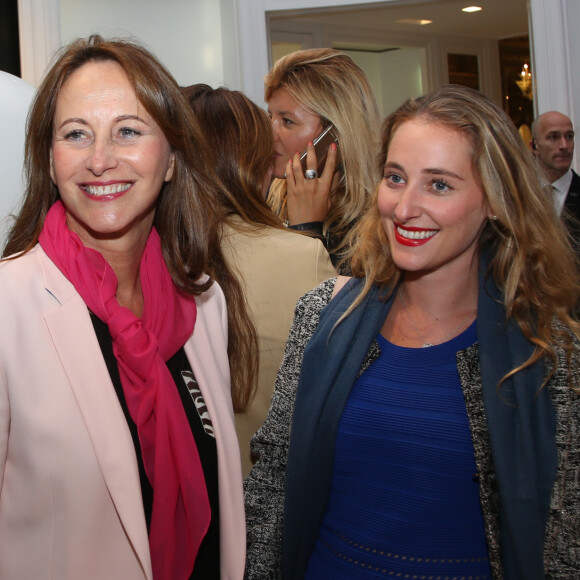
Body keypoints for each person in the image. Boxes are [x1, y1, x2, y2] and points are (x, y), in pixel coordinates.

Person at [245, 85, 580, 579]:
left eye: (439, 184)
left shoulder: (548, 350)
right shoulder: (326, 314)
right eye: (395, 178)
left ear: (494, 200)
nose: (404, 209)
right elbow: (273, 482)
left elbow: (563, 533)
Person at [0, 35, 256, 580]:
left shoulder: (201, 302)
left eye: (128, 132)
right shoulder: (7, 308)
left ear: (170, 160)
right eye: (76, 135)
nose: (100, 160)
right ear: (50, 161)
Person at [182, 84, 336, 478]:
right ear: (258, 164)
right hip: (269, 502)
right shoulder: (304, 256)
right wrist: (305, 234)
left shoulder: (143, 255)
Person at [265, 48, 381, 272]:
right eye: (271, 116)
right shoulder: (268, 198)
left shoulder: (375, 225)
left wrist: (306, 229)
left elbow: (322, 303)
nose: (271, 133)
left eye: (287, 121)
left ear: (334, 135)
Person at [531, 111, 580, 244]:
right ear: (534, 146)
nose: (564, 145)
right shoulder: (518, 195)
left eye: (569, 136)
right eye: (553, 137)